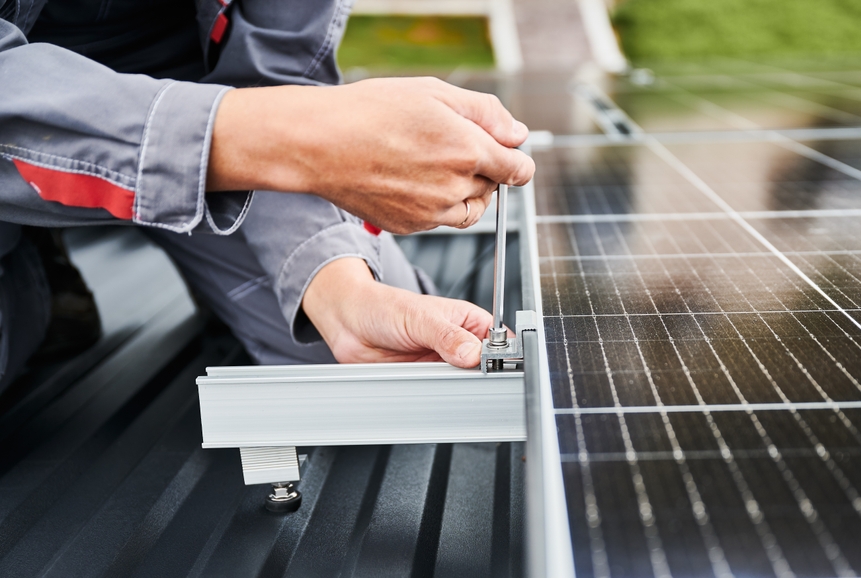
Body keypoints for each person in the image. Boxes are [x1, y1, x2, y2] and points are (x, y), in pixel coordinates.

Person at [0, 0, 535, 394]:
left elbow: (277, 74)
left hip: (202, 97)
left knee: (362, 360)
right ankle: (31, 256)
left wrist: (338, 289)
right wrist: (304, 143)